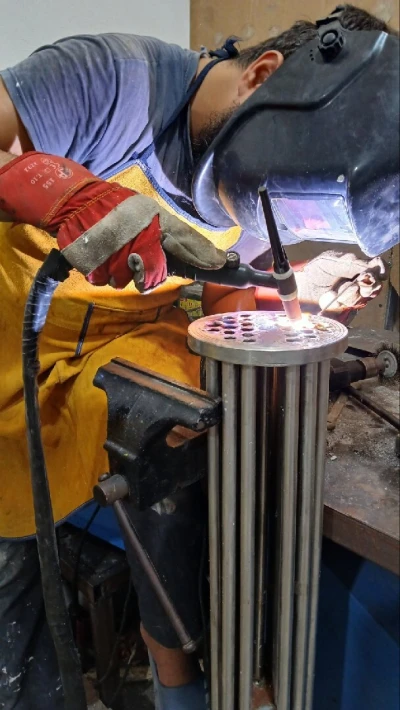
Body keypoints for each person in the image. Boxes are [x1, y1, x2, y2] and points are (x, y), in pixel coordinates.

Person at [0, 5, 395, 709]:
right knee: (20, 650)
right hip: (7, 357)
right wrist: (55, 188)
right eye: (278, 204)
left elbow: (217, 299)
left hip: (92, 367)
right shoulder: (110, 83)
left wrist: (296, 288)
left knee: (182, 419)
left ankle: (176, 683)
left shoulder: (247, 171)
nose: (267, 224)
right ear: (263, 77)